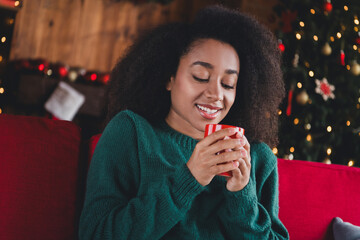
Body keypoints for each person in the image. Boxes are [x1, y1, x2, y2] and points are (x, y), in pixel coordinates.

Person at [79, 5, 289, 240]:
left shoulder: (257, 158)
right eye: (201, 77)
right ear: (169, 77)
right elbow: (96, 234)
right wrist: (189, 179)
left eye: (228, 83)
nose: (216, 94)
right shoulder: (131, 133)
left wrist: (243, 197)